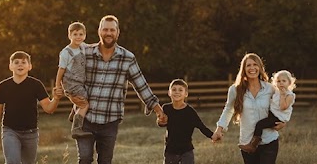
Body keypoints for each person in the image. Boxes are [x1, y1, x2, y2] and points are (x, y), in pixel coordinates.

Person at [55, 15, 167, 164]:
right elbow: (67, 72)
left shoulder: (127, 58)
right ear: (99, 31)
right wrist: (69, 94)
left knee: (105, 161)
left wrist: (159, 111)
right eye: (105, 29)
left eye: (112, 30)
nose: (109, 33)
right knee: (85, 159)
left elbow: (141, 85)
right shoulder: (85, 52)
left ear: (118, 32)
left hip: (110, 121)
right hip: (86, 120)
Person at [0, 51, 62, 164]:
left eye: (23, 62)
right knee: (12, 161)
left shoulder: (36, 85)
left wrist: (56, 98)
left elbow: (48, 108)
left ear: (29, 66)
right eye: (16, 62)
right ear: (10, 66)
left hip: (31, 133)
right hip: (10, 131)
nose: (20, 65)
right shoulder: (3, 86)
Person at [212, 53, 287, 164]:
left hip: (269, 140)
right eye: (248, 65)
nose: (252, 68)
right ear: (244, 69)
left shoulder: (270, 88)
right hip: (247, 142)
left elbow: (281, 106)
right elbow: (228, 109)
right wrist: (219, 129)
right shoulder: (235, 90)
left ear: (260, 68)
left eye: (255, 64)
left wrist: (283, 122)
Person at [51, 22, 94, 139]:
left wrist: (102, 44)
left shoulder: (82, 46)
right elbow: (61, 70)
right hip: (71, 84)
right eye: (75, 34)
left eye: (81, 34)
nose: (78, 37)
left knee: (85, 97)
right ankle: (76, 128)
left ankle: (74, 112)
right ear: (69, 35)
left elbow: (92, 46)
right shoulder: (66, 53)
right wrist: (57, 86)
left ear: (85, 35)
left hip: (80, 83)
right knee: (85, 104)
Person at [158, 79, 214, 164]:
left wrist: (212, 136)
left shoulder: (190, 112)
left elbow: (201, 126)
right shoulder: (166, 108)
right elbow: (161, 122)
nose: (177, 92)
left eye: (180, 90)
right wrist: (160, 122)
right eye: (174, 90)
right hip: (170, 150)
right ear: (169, 93)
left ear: (186, 94)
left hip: (186, 151)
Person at [239, 70, 296, 153]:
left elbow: (283, 107)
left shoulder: (289, 95)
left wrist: (283, 95)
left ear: (289, 82)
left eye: (284, 81)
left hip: (278, 117)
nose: (281, 83)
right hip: (273, 114)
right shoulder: (276, 92)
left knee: (260, 124)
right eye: (278, 81)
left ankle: (253, 145)